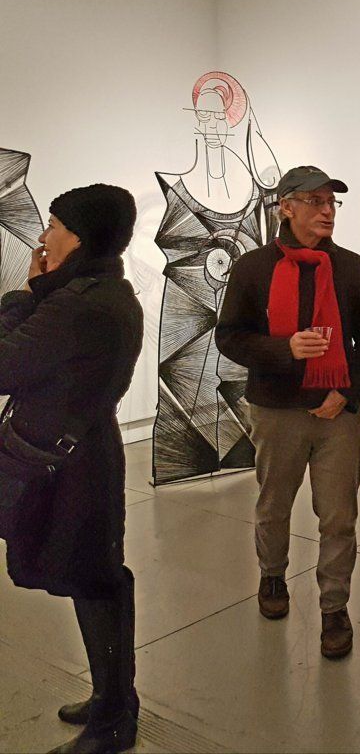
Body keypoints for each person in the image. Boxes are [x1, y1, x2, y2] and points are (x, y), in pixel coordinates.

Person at [215, 165, 360, 659]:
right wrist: (283, 349)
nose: (327, 211)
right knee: (274, 505)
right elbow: (230, 337)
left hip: (337, 413)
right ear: (285, 207)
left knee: (339, 516)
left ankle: (334, 607)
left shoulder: (352, 268)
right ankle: (272, 576)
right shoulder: (253, 268)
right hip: (276, 408)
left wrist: (347, 392)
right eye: (315, 201)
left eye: (332, 202)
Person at [1, 184, 144, 754]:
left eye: (55, 226)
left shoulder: (79, 304)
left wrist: (23, 295)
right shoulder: (103, 292)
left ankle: (113, 722)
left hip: (72, 468)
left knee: (96, 583)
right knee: (96, 581)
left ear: (81, 238)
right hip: (82, 454)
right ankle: (113, 700)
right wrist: (42, 290)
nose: (44, 236)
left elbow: (5, 366)